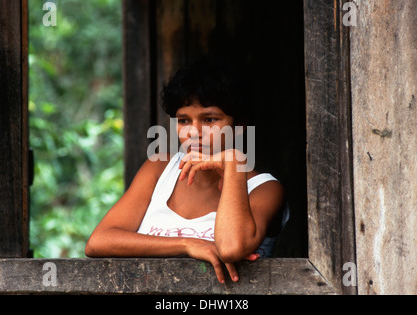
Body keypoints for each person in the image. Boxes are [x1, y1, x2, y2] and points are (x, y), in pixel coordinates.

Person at [85, 55, 289, 284]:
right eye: (183, 121)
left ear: (239, 125)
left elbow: (231, 249)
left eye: (209, 119)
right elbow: (98, 241)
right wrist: (188, 244)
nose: (194, 132)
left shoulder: (264, 188)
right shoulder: (160, 168)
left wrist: (233, 164)